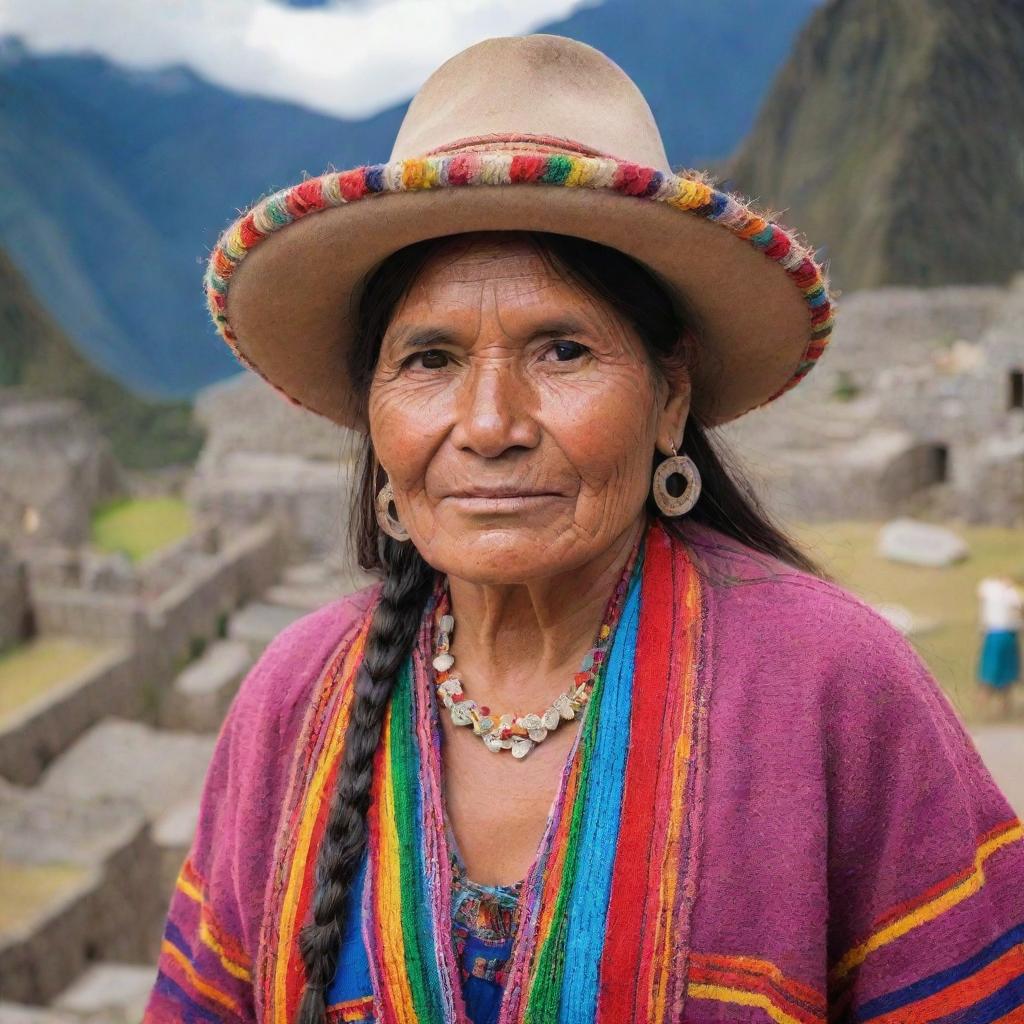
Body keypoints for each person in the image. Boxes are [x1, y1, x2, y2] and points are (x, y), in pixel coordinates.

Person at [143, 34, 1024, 1024]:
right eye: (428, 359)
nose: (488, 425)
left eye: (561, 350)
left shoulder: (834, 690)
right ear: (374, 408)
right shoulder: (295, 701)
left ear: (668, 395)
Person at [977, 574, 1023, 719]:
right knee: (994, 671)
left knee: (996, 672)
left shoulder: (996, 590)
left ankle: (997, 708)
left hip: (999, 633)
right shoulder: (1009, 593)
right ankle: (986, 708)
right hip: (1002, 634)